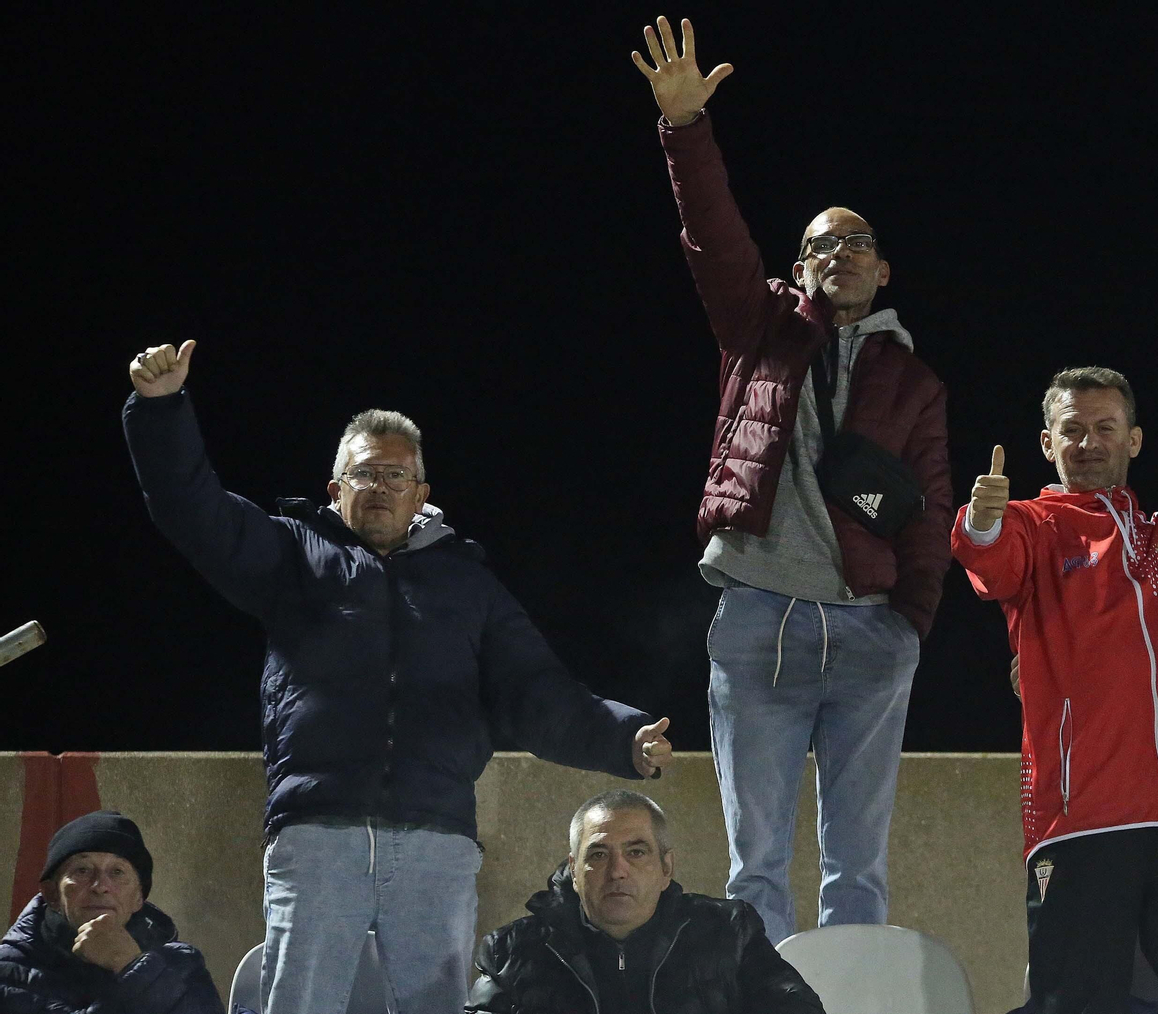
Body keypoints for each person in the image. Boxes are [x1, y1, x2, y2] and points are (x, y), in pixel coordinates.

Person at [121, 341, 675, 1014]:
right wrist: (161, 409)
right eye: (365, 474)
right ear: (336, 488)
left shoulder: (469, 584)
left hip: (436, 840)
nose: (380, 487)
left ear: (421, 496)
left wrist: (624, 738)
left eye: (396, 477)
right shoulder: (294, 555)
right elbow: (194, 510)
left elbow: (537, 691)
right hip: (317, 834)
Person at [630, 17, 953, 944]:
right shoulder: (761, 329)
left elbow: (926, 507)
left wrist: (912, 628)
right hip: (760, 619)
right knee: (755, 862)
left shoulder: (915, 379)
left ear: (883, 268)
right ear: (800, 265)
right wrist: (685, 129)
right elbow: (714, 237)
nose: (838, 254)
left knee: (859, 865)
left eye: (856, 244)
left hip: (868, 630)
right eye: (820, 244)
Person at [952, 366, 1158, 1013]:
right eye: (1073, 430)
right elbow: (990, 559)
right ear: (1047, 443)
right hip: (1082, 822)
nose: (1089, 443)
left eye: (1105, 428)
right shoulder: (1033, 526)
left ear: (1133, 440)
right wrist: (981, 521)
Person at [466, 789, 825, 1013]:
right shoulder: (511, 952)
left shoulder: (729, 932)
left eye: (636, 852)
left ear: (665, 866)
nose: (617, 871)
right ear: (574, 870)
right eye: (599, 855)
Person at [0, 810, 224, 1014]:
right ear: (52, 894)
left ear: (139, 897)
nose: (100, 886)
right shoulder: (10, 970)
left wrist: (133, 965)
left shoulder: (182, 964)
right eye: (82, 870)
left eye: (117, 872)